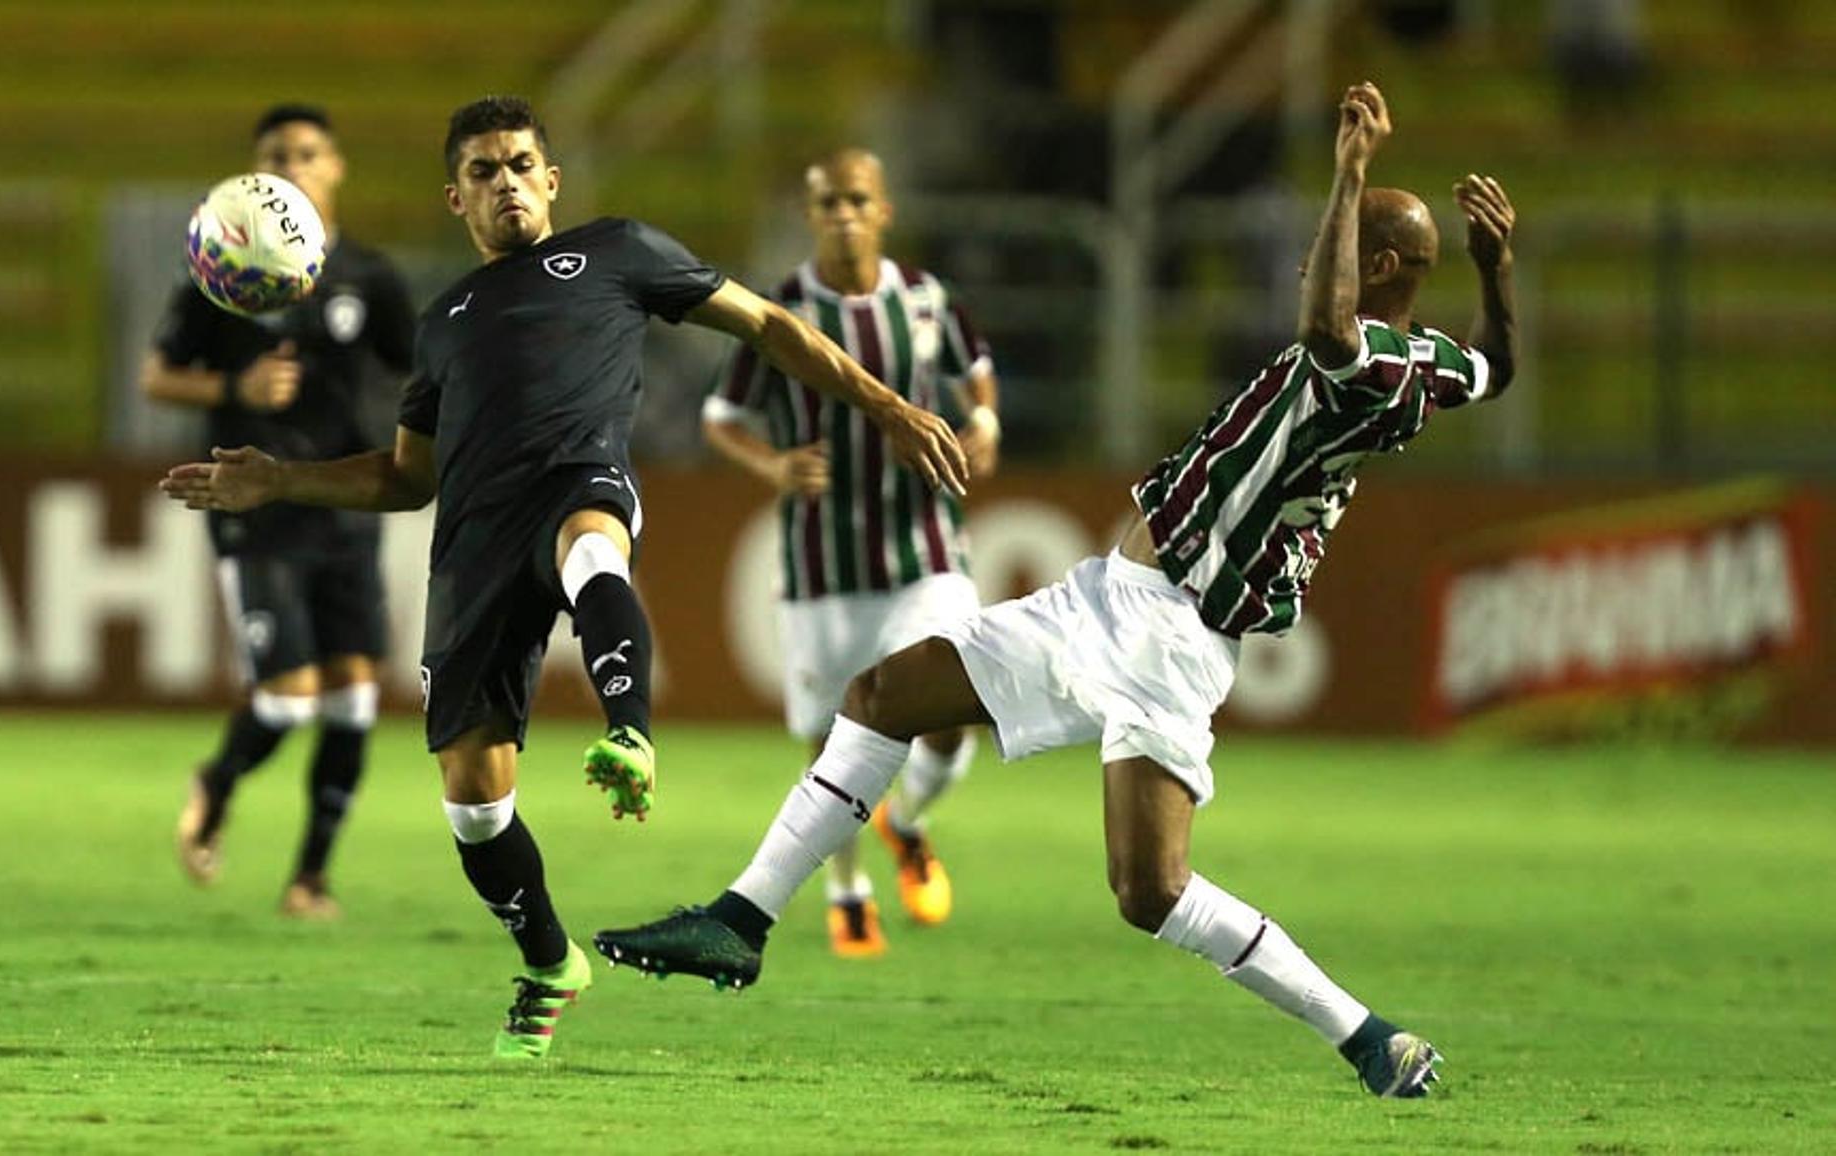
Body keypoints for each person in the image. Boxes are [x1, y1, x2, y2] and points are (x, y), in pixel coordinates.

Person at [596, 82, 1517, 1100]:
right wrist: (1497, 268)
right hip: (1104, 599)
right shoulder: (1434, 364)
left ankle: (1368, 1036)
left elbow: (1334, 330)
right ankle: (742, 918)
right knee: (881, 697)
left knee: (1151, 891)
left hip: (1171, 638)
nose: (1310, 254)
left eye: (1332, 240)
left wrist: (1348, 172)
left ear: (1377, 265)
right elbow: (1497, 366)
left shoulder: (1373, 367)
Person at [160, 95, 969, 1059]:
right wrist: (281, 479)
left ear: (551, 179)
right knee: (473, 801)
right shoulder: (444, 322)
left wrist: (885, 405)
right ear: (455, 197)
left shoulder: (620, 252)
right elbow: (405, 476)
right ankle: (550, 962)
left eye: (519, 164)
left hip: (578, 477)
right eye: (483, 171)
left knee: (592, 545)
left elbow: (766, 327)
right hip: (472, 543)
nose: (505, 183)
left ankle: (629, 732)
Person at [703, 148, 1000, 957]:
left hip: (924, 548)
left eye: (855, 200)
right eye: (827, 202)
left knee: (954, 708)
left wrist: (986, 427)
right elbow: (721, 414)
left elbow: (977, 375)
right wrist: (772, 465)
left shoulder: (930, 301)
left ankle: (908, 822)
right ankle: (849, 890)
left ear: (883, 210)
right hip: (823, 564)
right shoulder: (779, 310)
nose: (841, 215)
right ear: (811, 213)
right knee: (832, 740)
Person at [142, 102, 416, 920]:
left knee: (356, 697)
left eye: (308, 153)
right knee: (288, 699)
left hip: (341, 498)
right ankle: (217, 781)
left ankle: (310, 878)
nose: (295, 165)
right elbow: (157, 377)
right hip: (253, 505)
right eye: (277, 154)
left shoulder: (367, 274)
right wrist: (238, 389)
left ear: (335, 168)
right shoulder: (219, 267)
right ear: (255, 171)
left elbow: (419, 371)